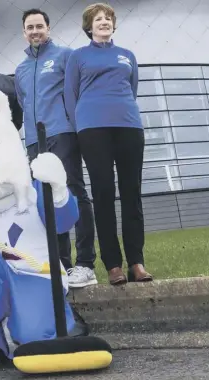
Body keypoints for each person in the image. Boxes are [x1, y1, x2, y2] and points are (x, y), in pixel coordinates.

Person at [63, 3, 153, 286]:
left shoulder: (127, 55)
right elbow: (70, 96)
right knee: (103, 192)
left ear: (114, 25)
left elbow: (133, 89)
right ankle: (113, 265)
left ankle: (136, 262)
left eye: (108, 18)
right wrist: (81, 129)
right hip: (92, 129)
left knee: (132, 193)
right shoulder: (78, 57)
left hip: (128, 126)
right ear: (89, 27)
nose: (104, 22)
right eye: (97, 19)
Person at [15, 8, 97, 288]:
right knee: (46, 200)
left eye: (40, 26)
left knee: (73, 192)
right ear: (24, 33)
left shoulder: (65, 56)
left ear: (48, 29)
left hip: (62, 133)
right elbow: (23, 103)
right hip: (34, 141)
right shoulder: (21, 69)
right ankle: (62, 264)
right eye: (30, 27)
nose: (35, 31)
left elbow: (78, 92)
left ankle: (85, 263)